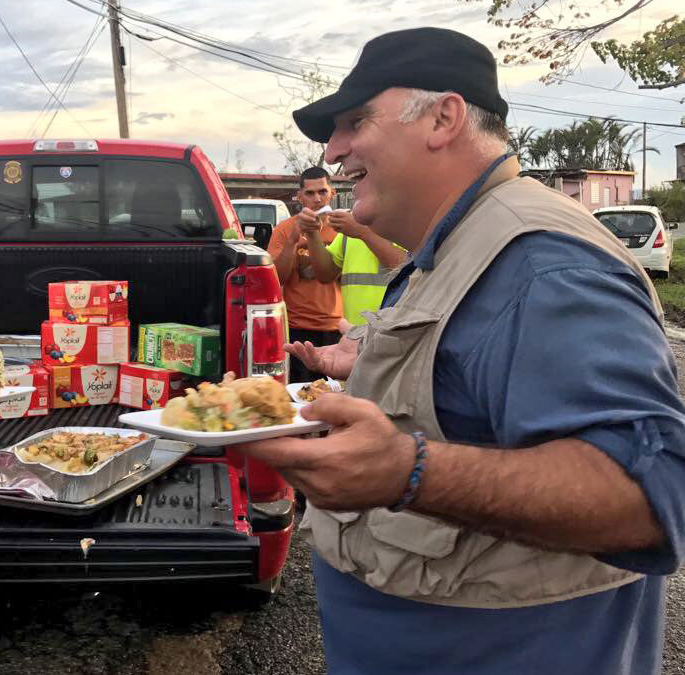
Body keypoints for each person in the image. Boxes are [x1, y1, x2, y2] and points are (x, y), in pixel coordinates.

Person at [239, 27, 685, 675]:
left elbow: (653, 496)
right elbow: (471, 386)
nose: (333, 153)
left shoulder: (543, 264)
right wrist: (370, 367)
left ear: (444, 117)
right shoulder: (456, 244)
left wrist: (408, 472)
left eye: (354, 122)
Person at [266, 166, 342, 383]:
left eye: (322, 192)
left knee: (336, 394)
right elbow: (276, 279)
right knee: (302, 394)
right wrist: (292, 240)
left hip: (337, 327)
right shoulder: (284, 229)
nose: (317, 199)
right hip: (298, 327)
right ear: (299, 197)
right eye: (309, 193)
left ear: (332, 193)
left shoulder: (343, 228)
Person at [324, 210, 405, 325]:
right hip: (354, 329)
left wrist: (362, 232)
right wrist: (312, 234)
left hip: (394, 328)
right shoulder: (350, 226)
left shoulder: (406, 222)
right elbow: (325, 275)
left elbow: (406, 268)